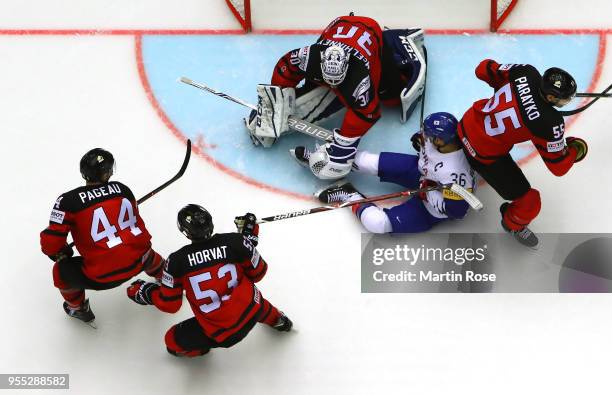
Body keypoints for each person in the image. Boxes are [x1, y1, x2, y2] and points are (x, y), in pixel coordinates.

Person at [245, 13, 427, 180]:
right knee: (318, 86)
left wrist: (343, 145)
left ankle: (395, 45)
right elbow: (285, 68)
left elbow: (368, 113)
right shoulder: (309, 56)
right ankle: (320, 84)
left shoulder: (359, 78)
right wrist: (276, 101)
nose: (332, 85)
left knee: (389, 96)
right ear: (322, 60)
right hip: (340, 24)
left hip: (371, 33)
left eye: (336, 81)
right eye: (329, 80)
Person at [126, 205, 292, 357]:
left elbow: (170, 304)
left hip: (223, 334)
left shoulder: (176, 262)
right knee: (250, 302)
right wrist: (248, 241)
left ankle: (202, 349)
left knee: (172, 342)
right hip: (254, 308)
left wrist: (146, 292)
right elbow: (258, 273)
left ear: (185, 231)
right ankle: (279, 320)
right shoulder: (235, 241)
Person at [458, 60, 588, 247]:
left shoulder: (525, 72)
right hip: (483, 155)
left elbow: (482, 69)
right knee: (530, 202)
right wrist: (577, 148)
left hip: (465, 125)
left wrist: (508, 91)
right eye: (563, 99)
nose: (566, 102)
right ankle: (513, 224)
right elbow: (559, 167)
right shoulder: (549, 122)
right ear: (551, 98)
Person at [40, 148, 165, 326]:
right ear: (107, 173)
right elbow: (134, 223)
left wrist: (61, 252)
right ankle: (166, 277)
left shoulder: (67, 201)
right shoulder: (123, 189)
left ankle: (78, 308)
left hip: (100, 277)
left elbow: (50, 243)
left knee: (60, 272)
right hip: (139, 262)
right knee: (145, 251)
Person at [316, 112, 475, 233]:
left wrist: (428, 192)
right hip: (419, 173)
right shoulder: (441, 142)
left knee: (377, 224)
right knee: (364, 160)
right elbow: (422, 143)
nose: (424, 134)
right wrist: (419, 143)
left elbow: (457, 212)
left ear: (439, 140)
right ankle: (323, 159)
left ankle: (350, 194)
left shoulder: (456, 175)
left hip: (428, 208)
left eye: (427, 133)